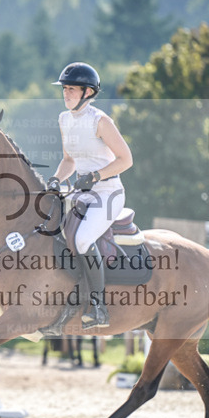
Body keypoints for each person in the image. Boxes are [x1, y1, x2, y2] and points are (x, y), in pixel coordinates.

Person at [47, 62, 133, 329]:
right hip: (82, 194)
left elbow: (126, 160)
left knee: (83, 239)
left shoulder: (101, 121)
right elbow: (68, 160)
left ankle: (99, 307)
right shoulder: (64, 119)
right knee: (57, 239)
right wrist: (55, 178)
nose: (66, 94)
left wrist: (96, 176)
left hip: (109, 193)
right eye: (65, 89)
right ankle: (66, 305)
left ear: (87, 92)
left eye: (72, 89)